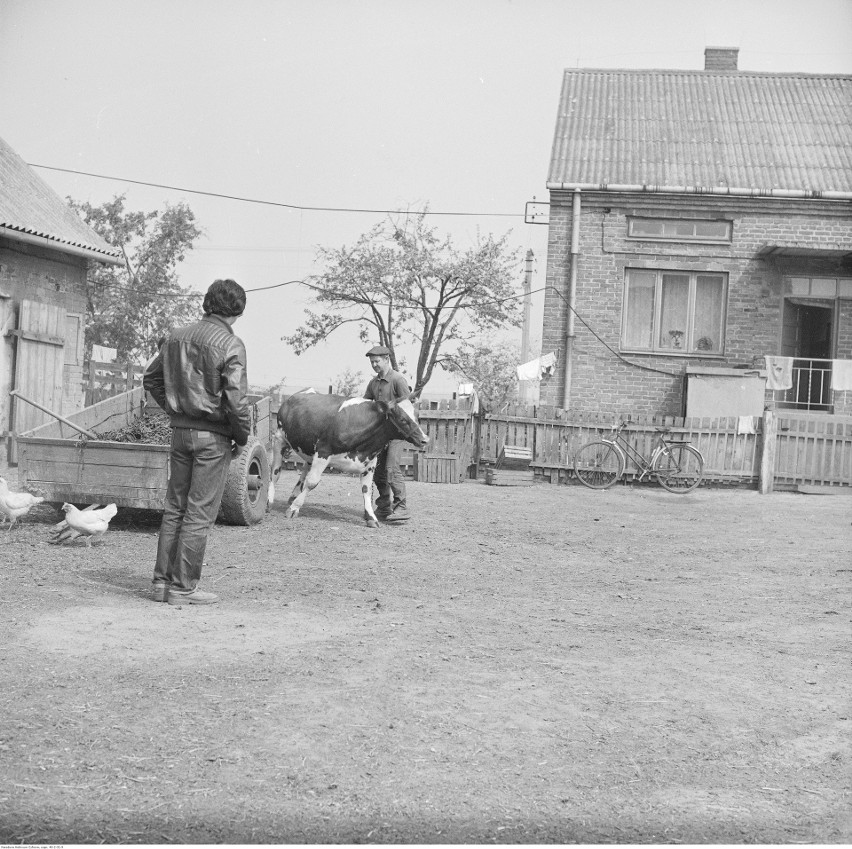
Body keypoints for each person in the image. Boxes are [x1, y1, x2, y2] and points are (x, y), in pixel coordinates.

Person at [143, 279, 251, 605]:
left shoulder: (176, 336)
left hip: (179, 434)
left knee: (174, 508)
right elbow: (235, 400)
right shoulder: (232, 344)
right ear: (238, 310)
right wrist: (241, 436)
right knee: (199, 514)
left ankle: (161, 585)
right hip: (213, 439)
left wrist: (177, 411)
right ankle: (183, 588)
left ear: (207, 303)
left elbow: (151, 379)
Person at [363, 345, 412, 522]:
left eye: (377, 361)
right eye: (372, 362)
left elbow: (408, 407)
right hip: (380, 434)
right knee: (378, 473)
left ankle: (402, 508)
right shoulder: (373, 383)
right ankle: (384, 507)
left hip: (397, 433)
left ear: (386, 360)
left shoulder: (398, 379)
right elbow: (366, 406)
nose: (374, 365)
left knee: (391, 468)